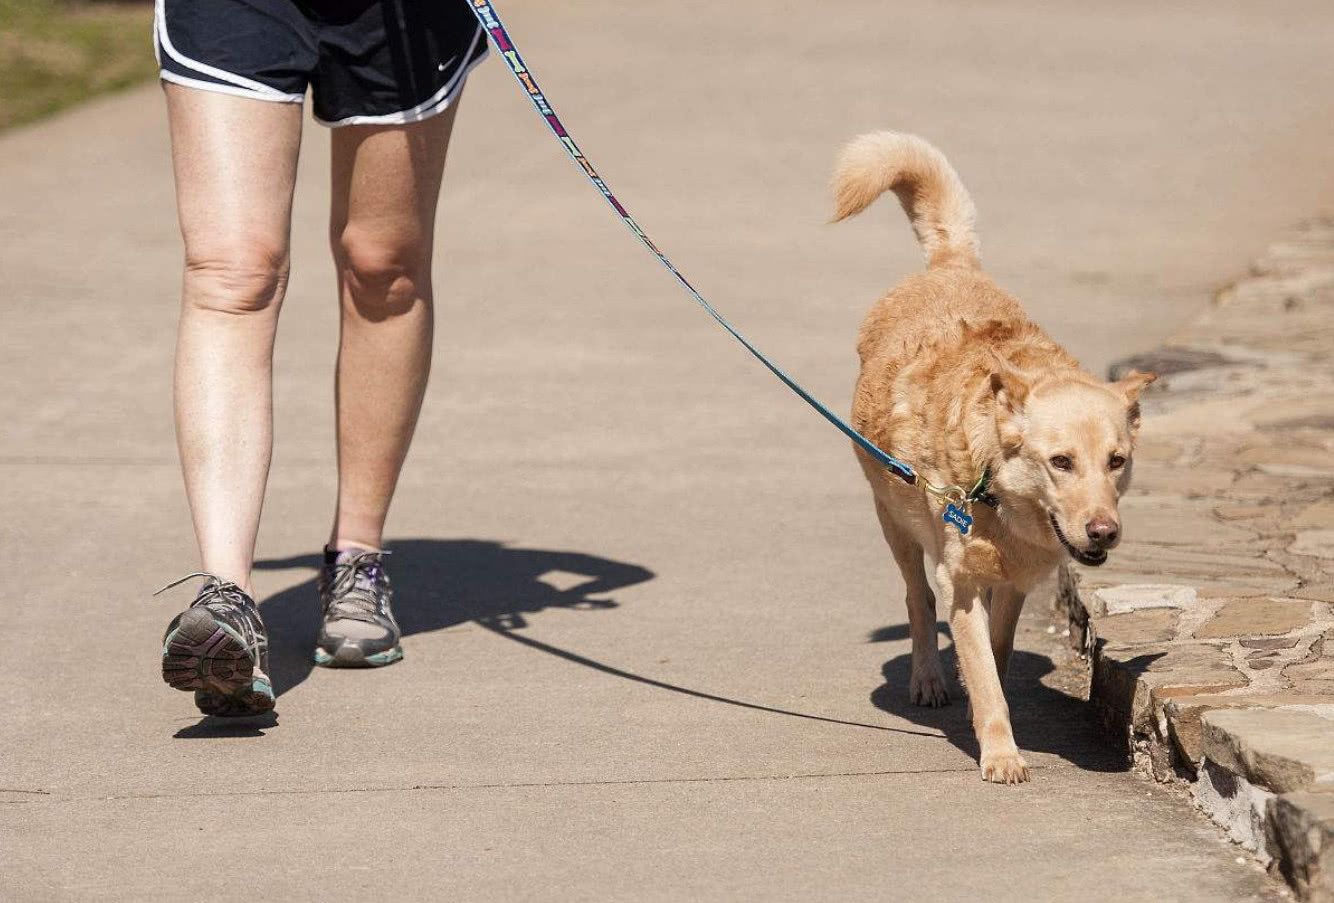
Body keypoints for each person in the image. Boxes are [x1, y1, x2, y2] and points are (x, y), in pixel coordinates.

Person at [152, 0, 488, 716]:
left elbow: (615, 575)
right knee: (231, 272)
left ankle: (357, 560)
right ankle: (225, 595)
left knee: (383, 266)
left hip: (405, 20)